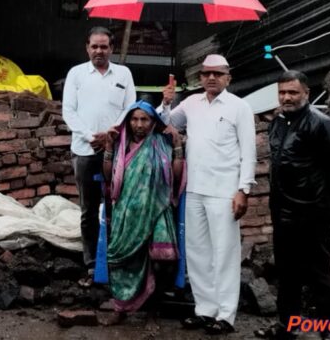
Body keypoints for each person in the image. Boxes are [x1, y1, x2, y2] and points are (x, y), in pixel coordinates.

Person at [161, 54, 255, 335]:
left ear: (228, 77)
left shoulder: (240, 107)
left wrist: (243, 189)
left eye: (217, 74)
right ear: (199, 78)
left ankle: (225, 315)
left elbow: (249, 153)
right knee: (198, 252)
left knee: (224, 253)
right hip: (195, 188)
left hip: (225, 191)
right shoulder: (191, 103)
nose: (211, 78)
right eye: (206, 74)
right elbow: (167, 125)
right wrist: (166, 101)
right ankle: (204, 310)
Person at [254, 71, 330, 340]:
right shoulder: (279, 121)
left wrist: (322, 200)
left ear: (306, 93)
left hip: (311, 212)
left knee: (318, 272)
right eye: (282, 92)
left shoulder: (321, 123)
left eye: (293, 92)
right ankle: (287, 326)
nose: (287, 97)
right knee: (287, 272)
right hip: (282, 210)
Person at [62, 26, 136, 282]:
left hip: (116, 152)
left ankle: (116, 257)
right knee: (89, 209)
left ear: (112, 49)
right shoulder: (77, 75)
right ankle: (92, 261)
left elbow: (130, 111)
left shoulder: (124, 74)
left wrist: (110, 137)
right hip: (84, 151)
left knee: (118, 205)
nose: (99, 51)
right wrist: (91, 137)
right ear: (87, 48)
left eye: (104, 46)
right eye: (94, 46)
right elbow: (68, 112)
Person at [103, 101, 184, 318]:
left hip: (157, 209)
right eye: (134, 119)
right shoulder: (121, 145)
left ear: (152, 122)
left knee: (162, 260)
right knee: (120, 260)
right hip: (127, 213)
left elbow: (175, 176)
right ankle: (121, 308)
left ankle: (153, 309)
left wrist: (177, 145)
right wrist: (109, 148)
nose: (139, 124)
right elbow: (109, 176)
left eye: (144, 119)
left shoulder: (160, 143)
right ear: (128, 122)